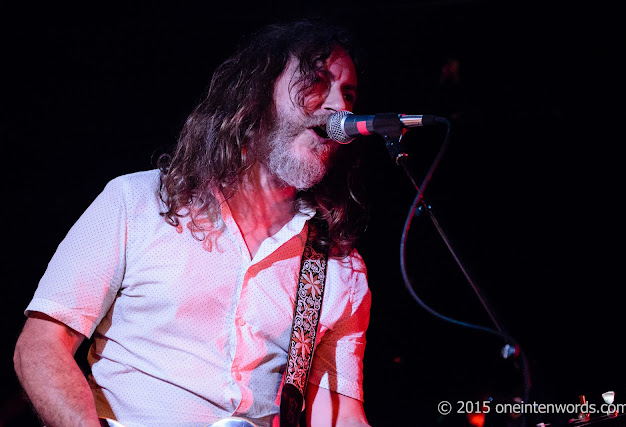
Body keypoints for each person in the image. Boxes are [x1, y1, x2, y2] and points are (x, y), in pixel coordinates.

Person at [13, 19, 371, 427]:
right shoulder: (138, 202)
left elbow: (337, 415)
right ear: (256, 95)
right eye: (317, 80)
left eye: (348, 93)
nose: (339, 107)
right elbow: (41, 346)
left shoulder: (340, 267)